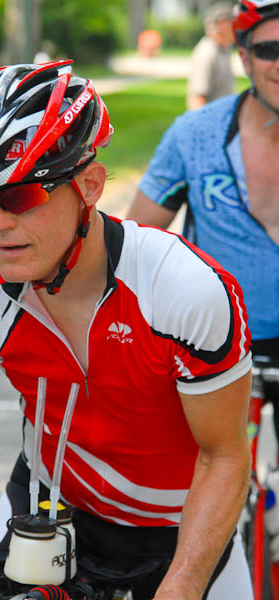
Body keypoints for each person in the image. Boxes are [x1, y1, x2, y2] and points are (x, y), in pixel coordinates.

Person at [0, 60, 253, 600]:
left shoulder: (182, 289)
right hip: (47, 509)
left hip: (180, 526)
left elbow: (224, 457)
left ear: (90, 186)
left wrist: (185, 583)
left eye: (21, 197)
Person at [127, 0, 279, 564]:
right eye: (270, 49)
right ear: (243, 56)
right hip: (221, 346)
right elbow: (137, 243)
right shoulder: (195, 136)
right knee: (205, 499)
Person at [187, 2, 235, 110]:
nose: (238, 29)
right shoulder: (207, 53)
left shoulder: (223, 49)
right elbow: (197, 99)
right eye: (234, 24)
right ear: (223, 24)